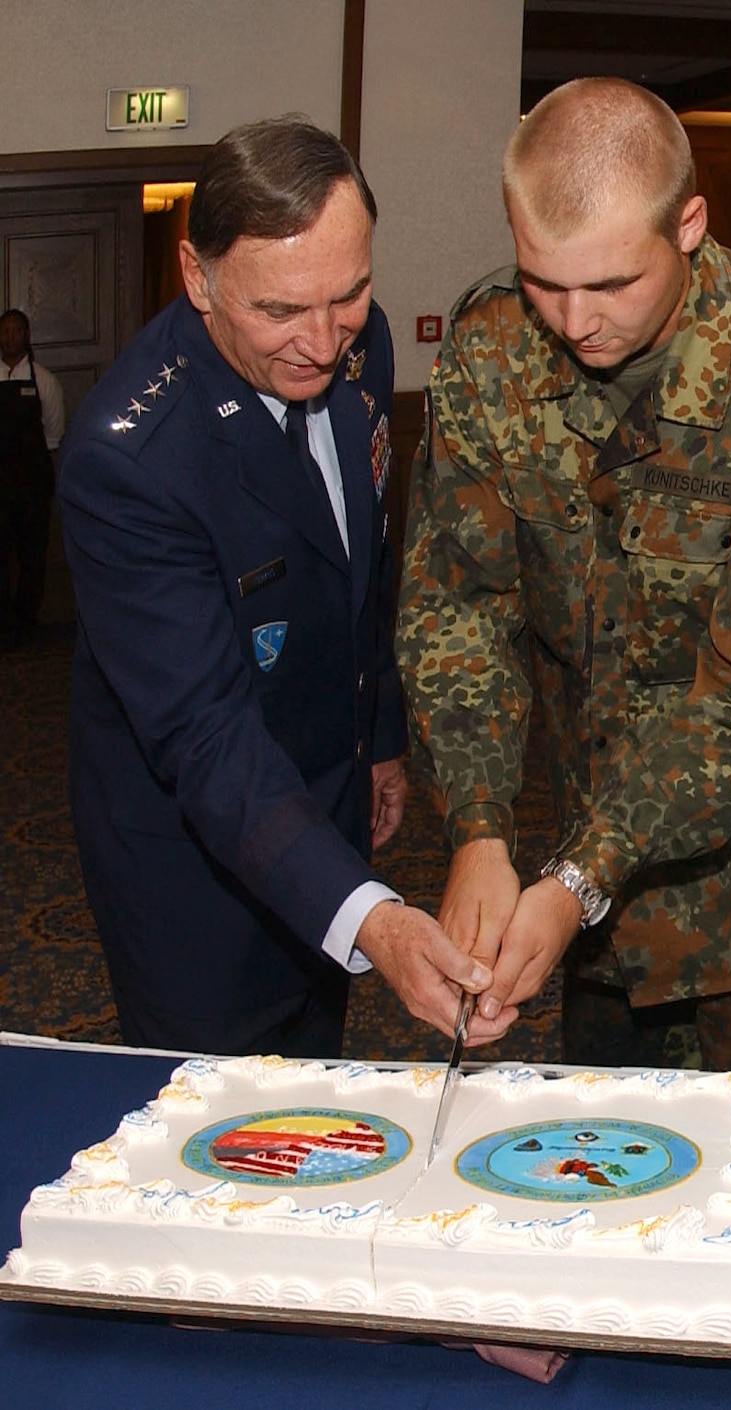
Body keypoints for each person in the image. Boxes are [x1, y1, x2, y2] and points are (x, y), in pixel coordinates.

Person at [399, 78, 731, 1074]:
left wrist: (579, 874)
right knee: (609, 1170)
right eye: (543, 279)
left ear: (689, 224)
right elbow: (460, 597)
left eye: (612, 284)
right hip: (591, 903)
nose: (574, 320)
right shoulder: (491, 345)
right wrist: (480, 830)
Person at [60, 115, 501, 1056]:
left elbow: (358, 564)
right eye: (279, 312)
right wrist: (374, 921)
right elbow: (205, 738)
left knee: (316, 1072)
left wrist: (376, 737)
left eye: (349, 295)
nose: (320, 343)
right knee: (221, 1131)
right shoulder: (130, 460)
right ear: (197, 278)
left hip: (327, 802)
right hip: (192, 869)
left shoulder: (362, 343)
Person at [0, 308, 63, 648]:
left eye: (15, 330)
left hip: (31, 486)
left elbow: (54, 434)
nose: (9, 336)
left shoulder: (44, 381)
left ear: (26, 335)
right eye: (4, 331)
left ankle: (25, 625)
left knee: (31, 557)